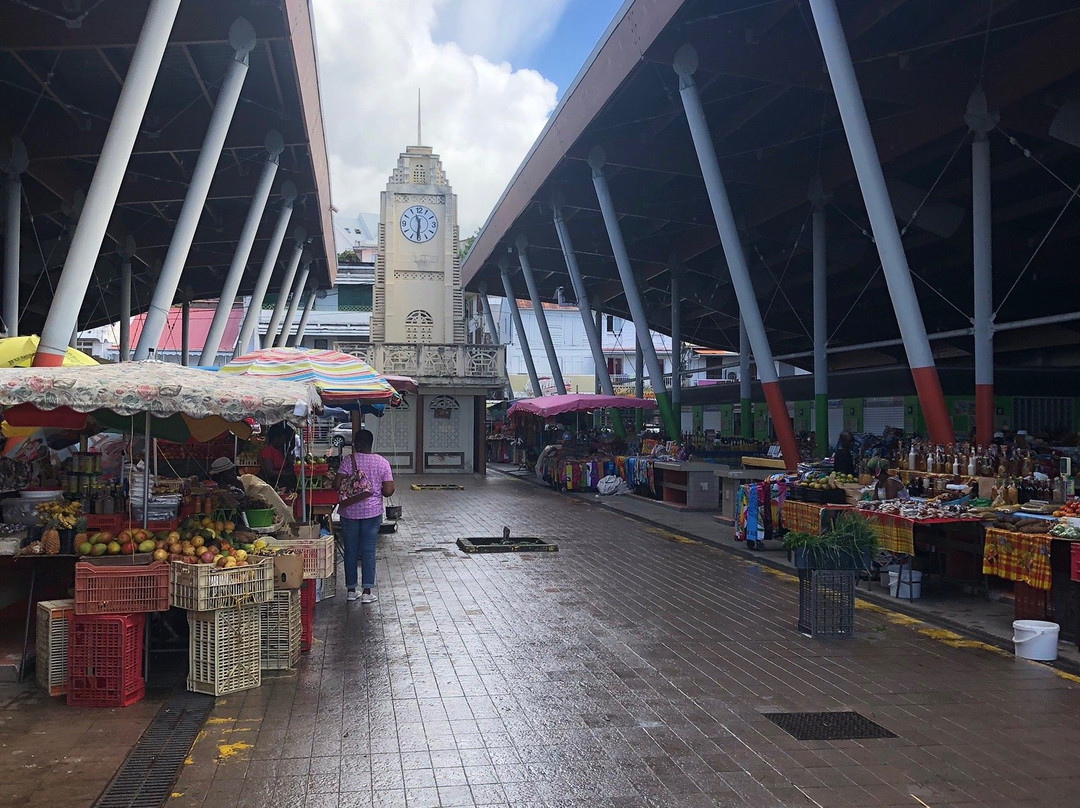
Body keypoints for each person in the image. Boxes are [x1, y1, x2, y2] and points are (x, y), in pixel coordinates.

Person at [334, 429, 394, 603]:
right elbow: (389, 491)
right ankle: (367, 592)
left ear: (356, 444)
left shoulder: (348, 460)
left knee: (350, 550)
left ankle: (351, 590)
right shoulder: (382, 462)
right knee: (368, 550)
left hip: (349, 512)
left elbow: (336, 484)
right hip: (372, 512)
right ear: (371, 443)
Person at [209, 457, 295, 526]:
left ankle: (288, 521)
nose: (233, 474)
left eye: (233, 471)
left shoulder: (240, 482)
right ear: (221, 475)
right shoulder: (217, 487)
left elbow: (244, 496)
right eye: (230, 472)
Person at [260, 423, 297, 490]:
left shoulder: (281, 451)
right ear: (276, 438)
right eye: (282, 439)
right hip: (275, 483)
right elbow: (270, 472)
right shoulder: (267, 451)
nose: (283, 442)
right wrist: (288, 473)